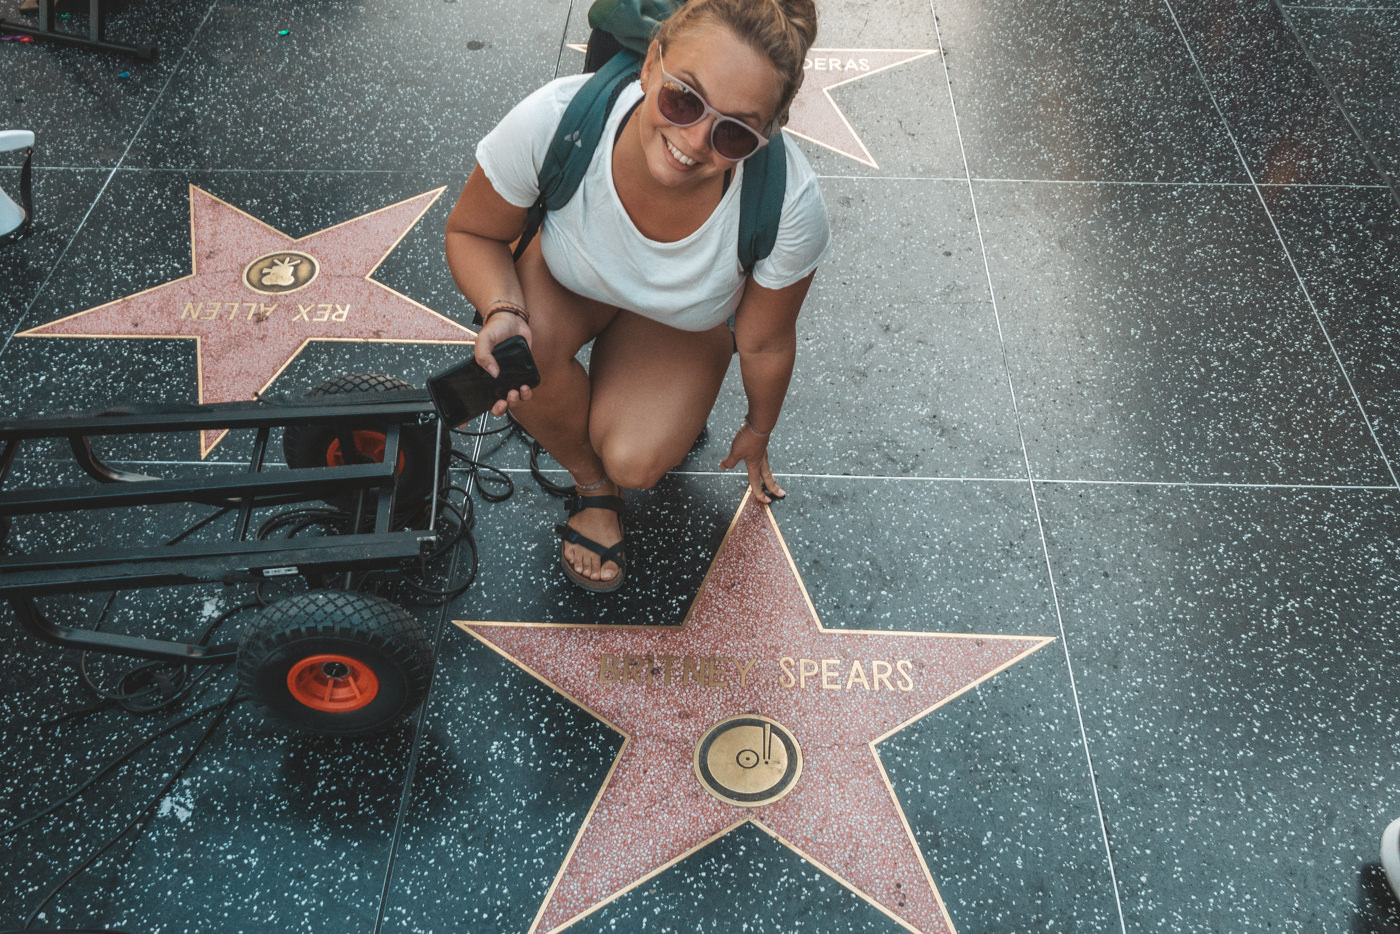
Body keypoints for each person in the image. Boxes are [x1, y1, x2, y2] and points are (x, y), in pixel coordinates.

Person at [445, 0, 829, 592]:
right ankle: (592, 486)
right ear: (651, 64)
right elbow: (473, 233)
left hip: (680, 326)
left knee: (637, 461)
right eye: (683, 98)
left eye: (733, 133)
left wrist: (758, 429)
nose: (695, 141)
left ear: (765, 135)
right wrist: (503, 307)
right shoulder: (556, 121)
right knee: (520, 356)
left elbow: (766, 340)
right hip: (571, 280)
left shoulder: (788, 204)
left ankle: (609, 449)